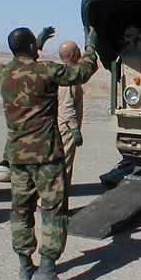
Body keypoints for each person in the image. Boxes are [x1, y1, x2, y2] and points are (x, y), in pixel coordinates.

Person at [0, 26, 98, 280]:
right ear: (32, 47)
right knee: (53, 211)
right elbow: (83, 72)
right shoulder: (47, 71)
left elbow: (22, 64)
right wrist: (90, 46)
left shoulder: (2, 74)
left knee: (21, 210)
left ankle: (25, 267)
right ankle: (48, 271)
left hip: (17, 156)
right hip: (46, 156)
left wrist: (34, 44)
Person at [56, 40, 84, 188]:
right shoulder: (68, 77)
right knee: (64, 166)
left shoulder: (62, 72)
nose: (81, 52)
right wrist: (75, 129)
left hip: (63, 124)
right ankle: (57, 205)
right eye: (78, 50)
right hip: (66, 127)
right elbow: (67, 106)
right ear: (73, 55)